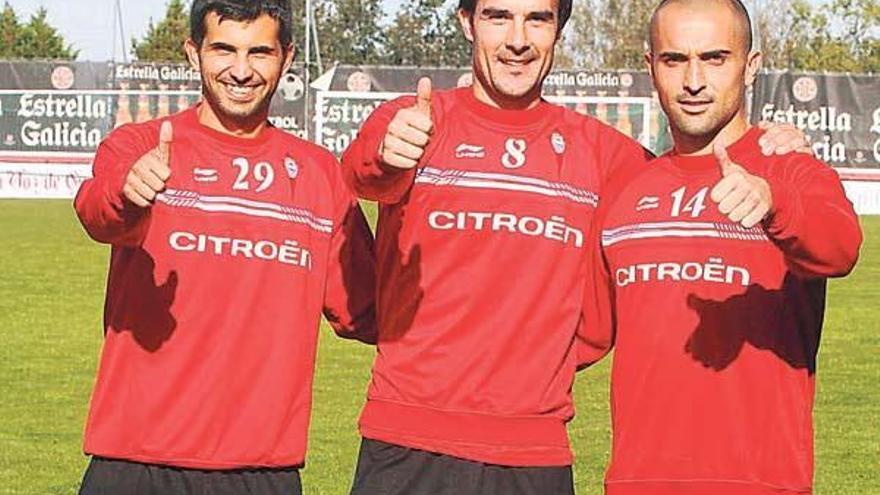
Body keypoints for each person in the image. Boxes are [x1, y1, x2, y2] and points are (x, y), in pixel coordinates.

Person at [341, 0, 808, 494]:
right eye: (498, 16)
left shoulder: (609, 155)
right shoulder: (413, 123)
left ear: (558, 29)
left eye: (537, 19)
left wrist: (772, 147)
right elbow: (361, 173)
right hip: (405, 439)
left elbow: (687, 177)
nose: (517, 39)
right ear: (466, 22)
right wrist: (386, 153)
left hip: (534, 452)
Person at [73, 1, 375, 493]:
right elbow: (95, 212)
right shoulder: (139, 147)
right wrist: (126, 192)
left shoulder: (321, 177)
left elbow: (372, 311)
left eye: (259, 52)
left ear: (287, 57)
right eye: (223, 50)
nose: (240, 70)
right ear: (193, 54)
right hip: (134, 463)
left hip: (259, 472)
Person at [584, 1, 863, 493]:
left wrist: (775, 203)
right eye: (675, 59)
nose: (694, 80)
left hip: (760, 483)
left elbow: (839, 247)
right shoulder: (626, 189)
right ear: (651, 67)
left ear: (750, 66)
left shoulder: (791, 169)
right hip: (636, 483)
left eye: (715, 58)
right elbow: (585, 333)